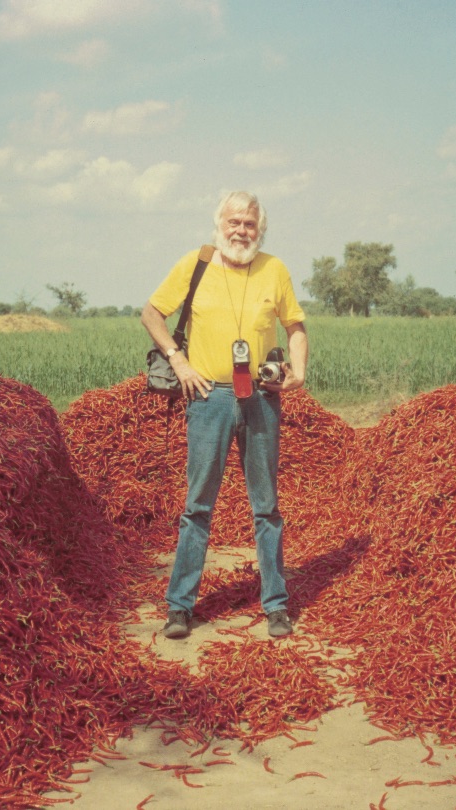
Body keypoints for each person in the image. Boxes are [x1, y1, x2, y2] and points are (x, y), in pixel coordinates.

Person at [140, 190, 309, 640]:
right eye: (234, 222)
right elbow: (151, 313)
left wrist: (298, 372)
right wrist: (179, 361)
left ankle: (275, 605)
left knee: (266, 506)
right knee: (198, 505)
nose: (241, 231)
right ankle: (180, 607)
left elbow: (295, 326)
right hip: (208, 398)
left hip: (260, 398)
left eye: (250, 225)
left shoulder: (275, 269)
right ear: (219, 225)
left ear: (261, 230)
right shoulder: (195, 264)